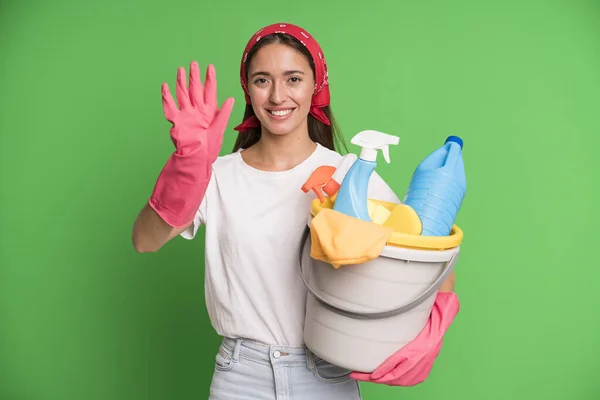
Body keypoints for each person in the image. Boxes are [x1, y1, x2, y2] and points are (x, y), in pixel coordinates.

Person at [132, 22, 459, 400]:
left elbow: (429, 257)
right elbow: (145, 240)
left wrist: (431, 330)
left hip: (328, 376)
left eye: (293, 79)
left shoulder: (348, 174)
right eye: (261, 80)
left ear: (315, 86)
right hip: (241, 378)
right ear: (248, 90)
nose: (277, 96)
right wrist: (187, 167)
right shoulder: (217, 176)